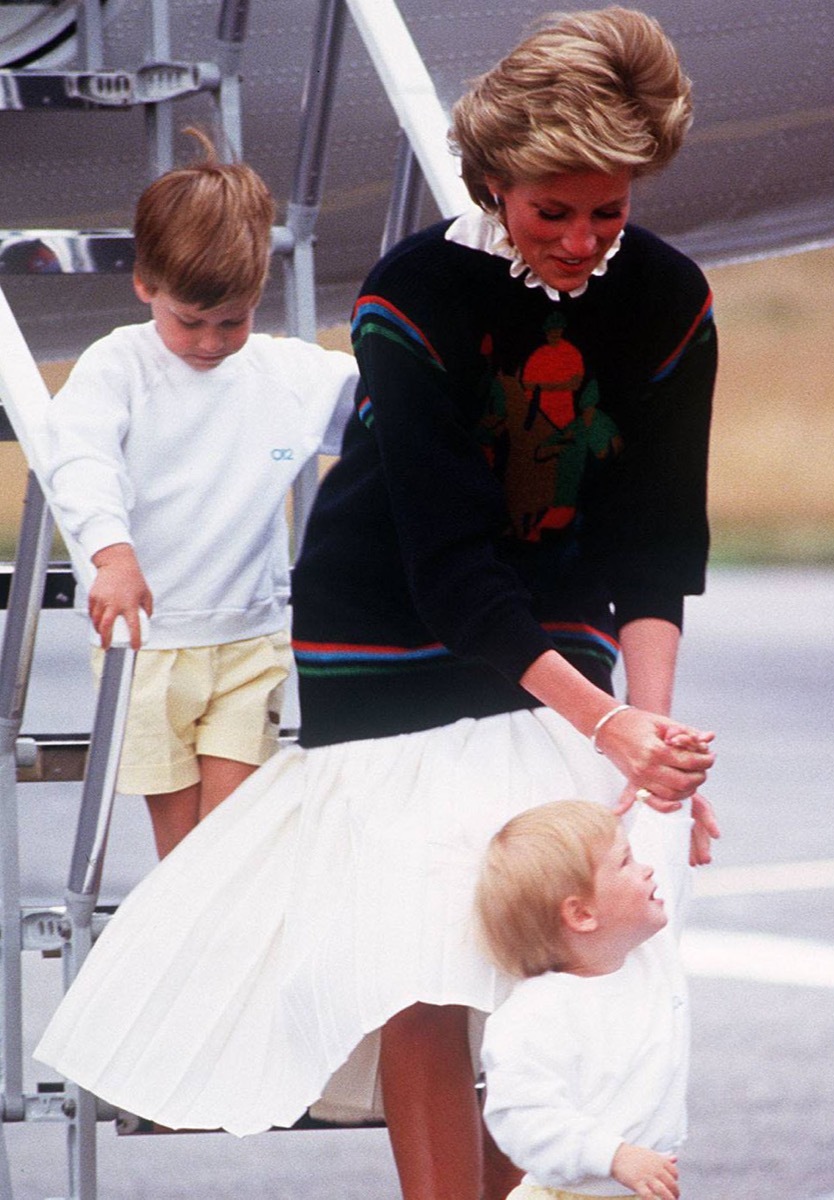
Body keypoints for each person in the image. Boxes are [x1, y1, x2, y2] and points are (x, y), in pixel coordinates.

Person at [35, 10, 718, 1200]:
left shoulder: (666, 300)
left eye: (606, 210)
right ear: (493, 180)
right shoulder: (413, 294)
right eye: (549, 211)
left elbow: (655, 538)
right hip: (389, 631)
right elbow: (450, 561)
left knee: (551, 945)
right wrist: (601, 723)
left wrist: (649, 749)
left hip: (553, 624)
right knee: (431, 953)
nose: (580, 241)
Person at [42, 129, 358, 858]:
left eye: (233, 321)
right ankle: (190, 960)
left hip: (249, 636)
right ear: (145, 284)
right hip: (150, 641)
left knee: (233, 840)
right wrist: (112, 556)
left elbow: (386, 410)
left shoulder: (285, 372)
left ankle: (223, 954)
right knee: (183, 851)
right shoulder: (117, 366)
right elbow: (81, 459)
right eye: (190, 321)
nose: (211, 342)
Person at [475, 798, 698, 1200]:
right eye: (626, 861)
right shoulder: (533, 1016)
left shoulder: (652, 954)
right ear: (581, 914)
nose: (646, 867)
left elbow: (665, 854)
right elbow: (524, 1120)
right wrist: (613, 1155)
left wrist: (670, 796)